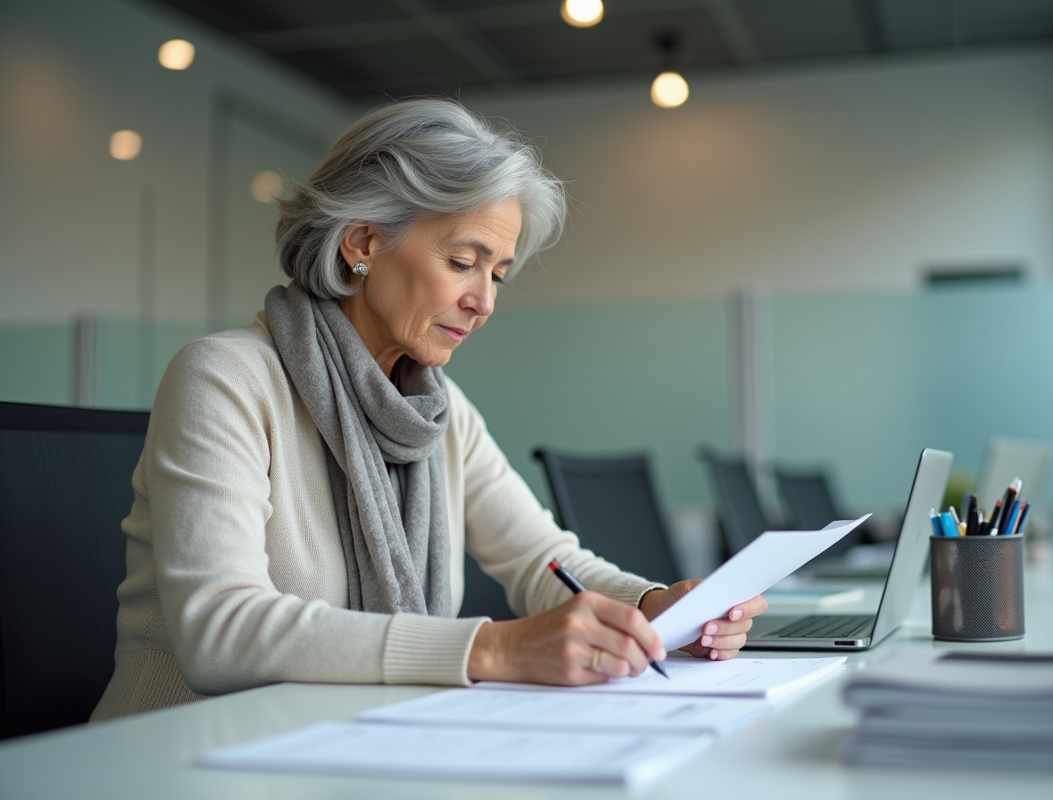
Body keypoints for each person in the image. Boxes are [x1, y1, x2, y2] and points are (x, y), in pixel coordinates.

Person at [92, 98, 767, 722]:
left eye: (497, 273)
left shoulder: (440, 413)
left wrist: (657, 607)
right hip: (187, 757)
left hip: (352, 744)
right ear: (362, 243)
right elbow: (219, 630)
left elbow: (544, 563)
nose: (486, 302)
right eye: (463, 261)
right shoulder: (225, 377)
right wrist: (493, 650)